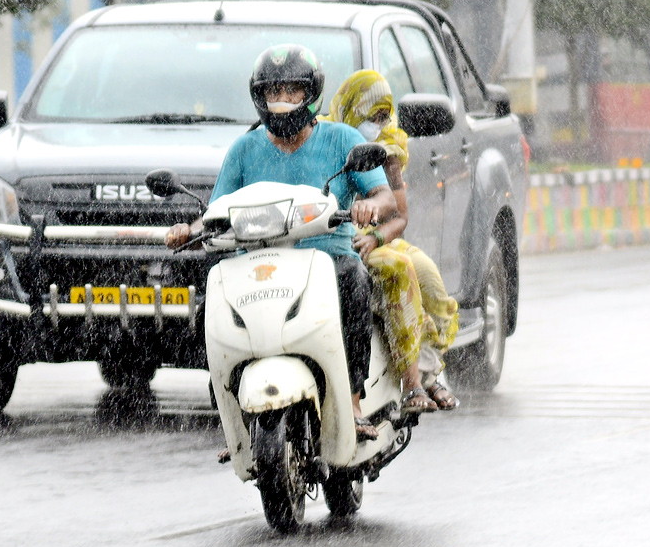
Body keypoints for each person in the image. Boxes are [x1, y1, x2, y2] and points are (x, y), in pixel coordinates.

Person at [166, 45, 396, 442]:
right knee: (208, 307)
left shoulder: (342, 139)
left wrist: (368, 208)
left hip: (326, 260)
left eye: (292, 92)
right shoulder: (244, 149)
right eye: (274, 93)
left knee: (355, 280)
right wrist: (188, 229)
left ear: (311, 95)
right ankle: (235, 413)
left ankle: (354, 399)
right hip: (256, 263)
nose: (283, 102)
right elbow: (216, 210)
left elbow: (385, 197)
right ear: (260, 97)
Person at [323, 69, 460, 411]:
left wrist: (375, 237)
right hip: (338, 238)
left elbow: (399, 217)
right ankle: (413, 383)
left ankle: (431, 372)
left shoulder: (388, 149)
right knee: (401, 272)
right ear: (350, 109)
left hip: (376, 238)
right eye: (373, 117)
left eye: (385, 116)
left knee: (428, 277)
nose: (379, 125)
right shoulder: (326, 140)